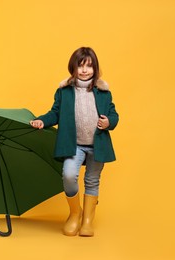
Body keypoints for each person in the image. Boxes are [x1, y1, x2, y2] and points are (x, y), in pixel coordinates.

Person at [30, 47, 119, 237]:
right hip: (74, 145)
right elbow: (55, 113)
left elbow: (114, 115)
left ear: (95, 68)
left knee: (92, 181)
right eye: (80, 66)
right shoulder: (65, 91)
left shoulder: (103, 92)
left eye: (89, 66)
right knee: (69, 175)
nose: (85, 70)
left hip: (97, 145)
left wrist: (108, 122)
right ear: (73, 67)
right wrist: (41, 120)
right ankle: (75, 213)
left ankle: (87, 220)